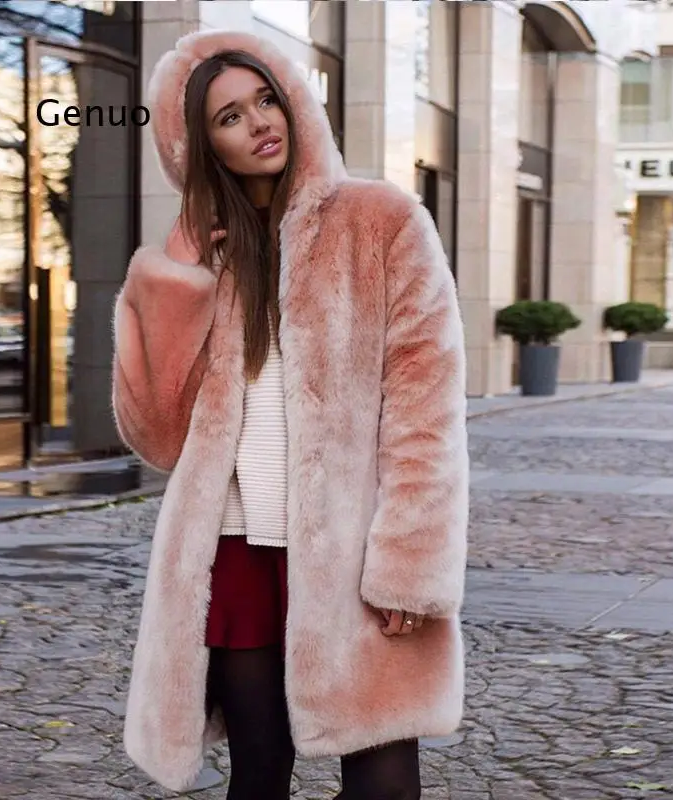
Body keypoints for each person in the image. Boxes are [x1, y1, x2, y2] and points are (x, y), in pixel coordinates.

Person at [111, 29, 469, 800]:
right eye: (229, 117)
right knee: (259, 778)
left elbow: (425, 410)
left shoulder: (382, 222)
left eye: (266, 99)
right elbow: (156, 436)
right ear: (201, 145)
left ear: (296, 103)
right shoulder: (201, 256)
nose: (259, 123)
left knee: (385, 786)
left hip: (354, 555)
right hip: (238, 553)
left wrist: (408, 564)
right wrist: (176, 285)